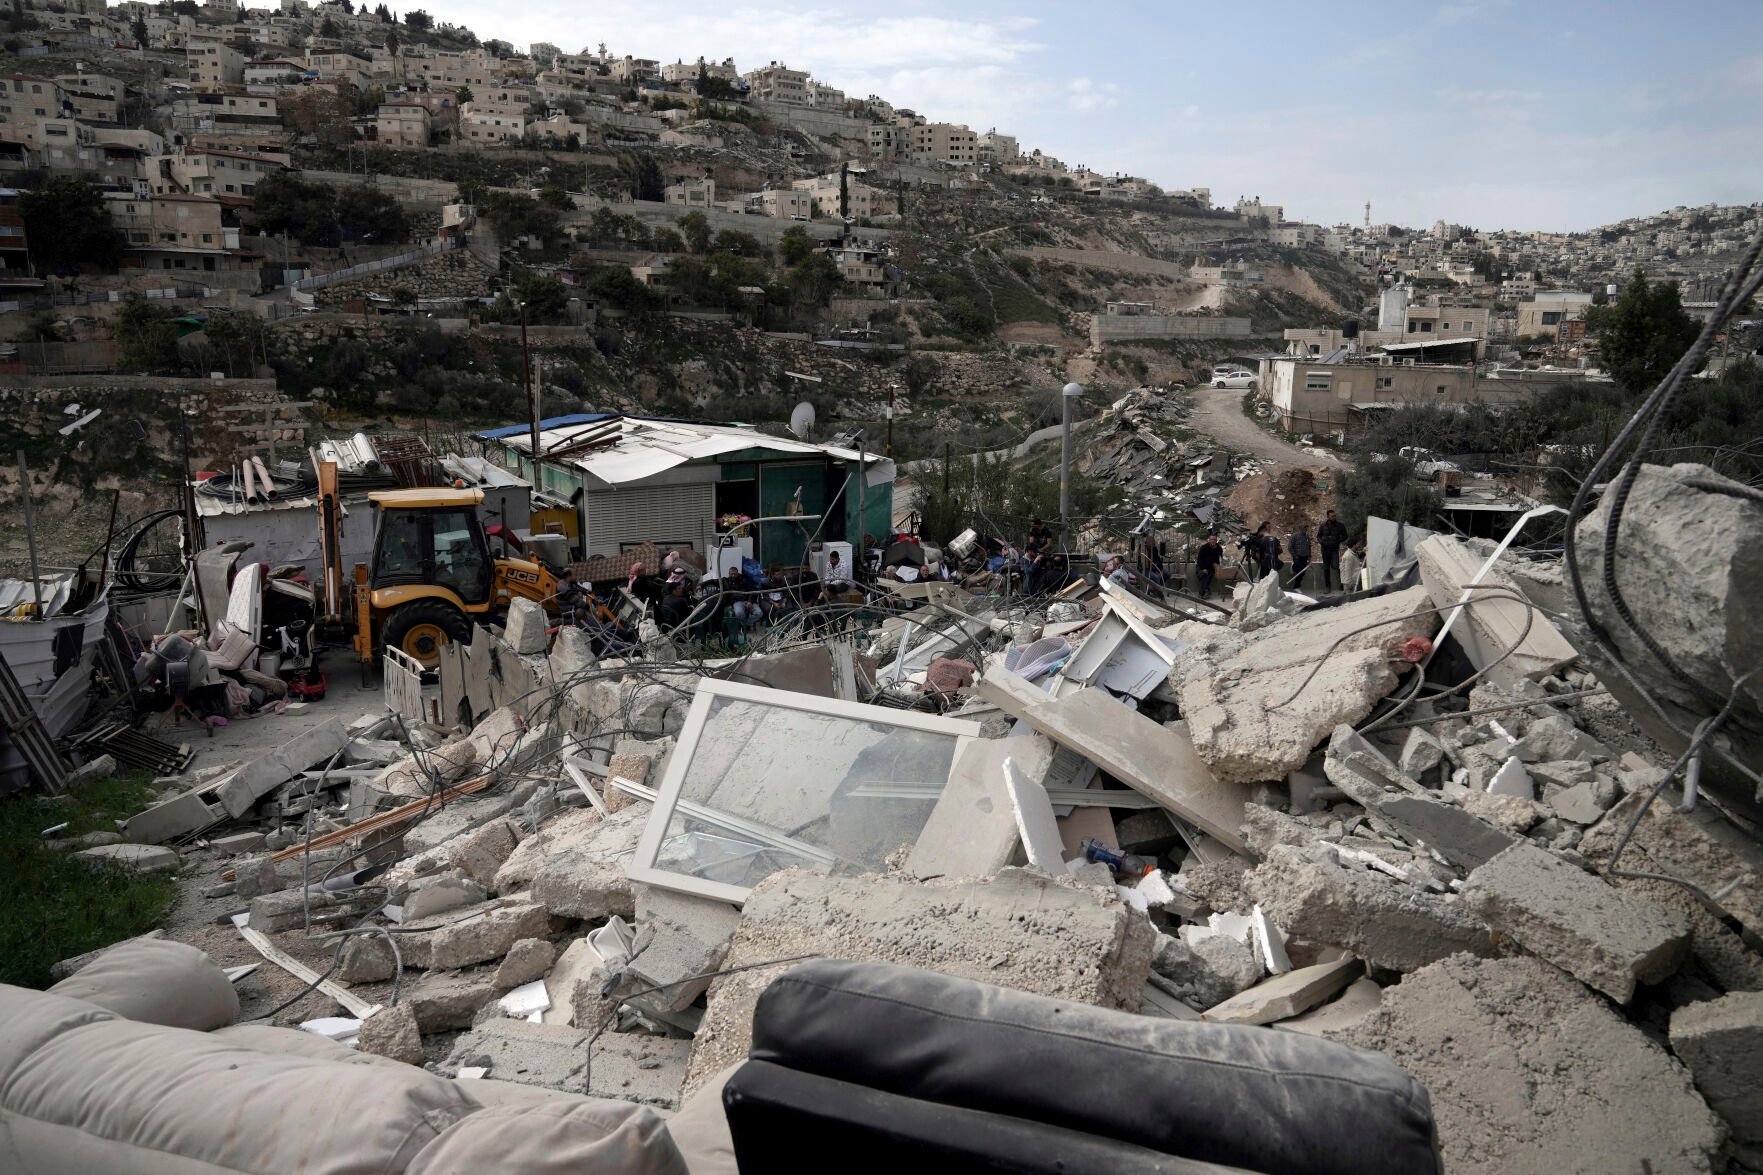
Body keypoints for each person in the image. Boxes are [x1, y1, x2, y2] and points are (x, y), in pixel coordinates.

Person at [1318, 509, 1348, 591]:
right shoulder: (1323, 525)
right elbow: (1318, 536)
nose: (1334, 517)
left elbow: (1345, 535)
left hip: (1334, 549)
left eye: (1335, 515)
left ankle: (1342, 583)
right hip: (1325, 550)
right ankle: (1327, 587)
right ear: (1328, 516)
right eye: (1332, 516)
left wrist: (1337, 540)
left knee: (1336, 566)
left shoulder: (1340, 525)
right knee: (1326, 568)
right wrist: (1322, 542)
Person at [1023, 517, 1053, 595]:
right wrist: (1034, 550)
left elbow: (1049, 543)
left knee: (1046, 566)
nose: (1032, 526)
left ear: (1038, 524)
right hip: (1035, 550)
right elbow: (1031, 542)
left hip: (1045, 550)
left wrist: (1041, 550)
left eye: (1033, 525)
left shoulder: (1047, 531)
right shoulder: (1032, 530)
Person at [1195, 532, 1223, 598]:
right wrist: (1203, 568)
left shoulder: (1219, 548)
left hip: (1211, 568)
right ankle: (1205, 591)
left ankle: (1202, 593)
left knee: (1207, 575)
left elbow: (1220, 559)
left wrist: (1218, 566)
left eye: (1214, 539)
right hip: (1201, 566)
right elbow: (1200, 559)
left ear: (1216, 540)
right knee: (1202, 575)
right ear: (1209, 540)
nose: (1213, 541)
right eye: (1211, 539)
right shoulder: (1204, 548)